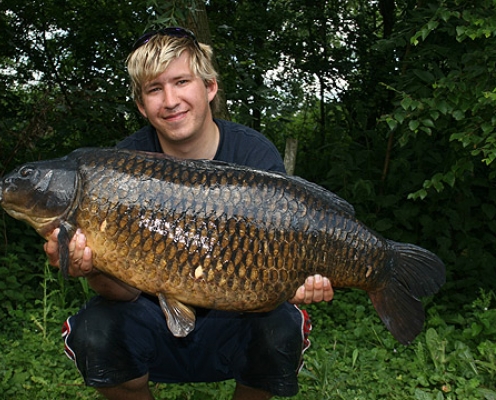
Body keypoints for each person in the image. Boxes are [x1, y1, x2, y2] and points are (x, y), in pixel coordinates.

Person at [44, 27, 334, 400]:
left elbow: (276, 276)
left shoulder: (254, 156)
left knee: (279, 327)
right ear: (140, 105)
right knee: (95, 331)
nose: (170, 100)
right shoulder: (118, 169)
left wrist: (299, 282)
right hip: (151, 318)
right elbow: (122, 292)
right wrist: (92, 268)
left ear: (210, 87)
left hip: (234, 318)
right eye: (154, 89)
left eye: (181, 81)